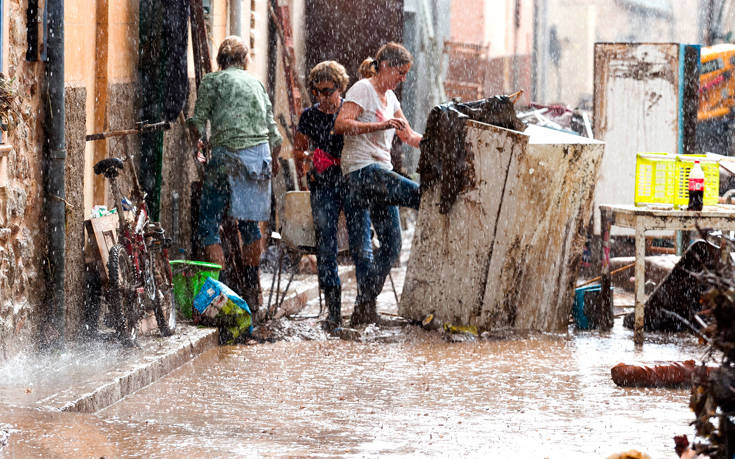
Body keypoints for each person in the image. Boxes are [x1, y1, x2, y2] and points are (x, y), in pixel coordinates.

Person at [188, 35, 282, 314]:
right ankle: (251, 292)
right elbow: (274, 134)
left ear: (220, 60)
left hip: (226, 156)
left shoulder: (212, 81)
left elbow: (197, 123)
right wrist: (274, 160)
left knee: (209, 223)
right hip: (258, 155)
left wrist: (199, 145)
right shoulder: (256, 83)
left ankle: (220, 293)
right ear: (244, 60)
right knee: (250, 225)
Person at [334, 42, 423, 326]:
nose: (403, 79)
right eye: (400, 72)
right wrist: (379, 126)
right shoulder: (362, 89)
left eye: (406, 74)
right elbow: (341, 124)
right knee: (419, 195)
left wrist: (434, 141)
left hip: (380, 173)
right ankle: (364, 306)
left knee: (392, 245)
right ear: (385, 66)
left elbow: (409, 136)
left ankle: (364, 306)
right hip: (360, 172)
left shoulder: (392, 99)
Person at [293, 61, 350, 332]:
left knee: (361, 243)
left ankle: (365, 307)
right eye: (317, 92)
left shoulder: (349, 111)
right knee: (326, 247)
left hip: (349, 181)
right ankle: (333, 312)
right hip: (322, 183)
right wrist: (311, 158)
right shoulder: (309, 116)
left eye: (328, 91)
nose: (323, 98)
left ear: (340, 88)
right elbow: (298, 151)